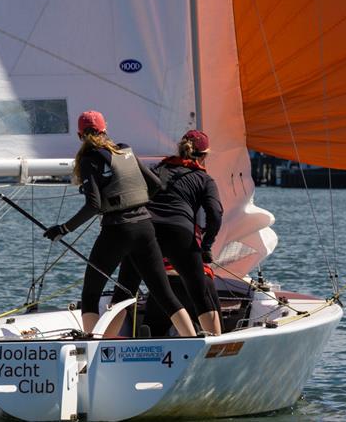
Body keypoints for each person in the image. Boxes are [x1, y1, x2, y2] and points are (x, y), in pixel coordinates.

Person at [43, 110, 197, 337]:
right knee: (164, 294)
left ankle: (91, 350)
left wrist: (63, 229)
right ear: (105, 130)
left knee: (90, 295)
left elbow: (93, 206)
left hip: (117, 231)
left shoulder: (89, 160)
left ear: (79, 136)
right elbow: (155, 185)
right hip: (145, 227)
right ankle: (193, 341)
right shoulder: (126, 152)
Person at [115, 129, 223, 335]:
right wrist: (207, 247)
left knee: (124, 293)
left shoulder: (158, 169)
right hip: (179, 231)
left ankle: (101, 344)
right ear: (205, 155)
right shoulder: (203, 178)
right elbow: (215, 215)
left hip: (143, 228)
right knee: (200, 294)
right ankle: (216, 347)